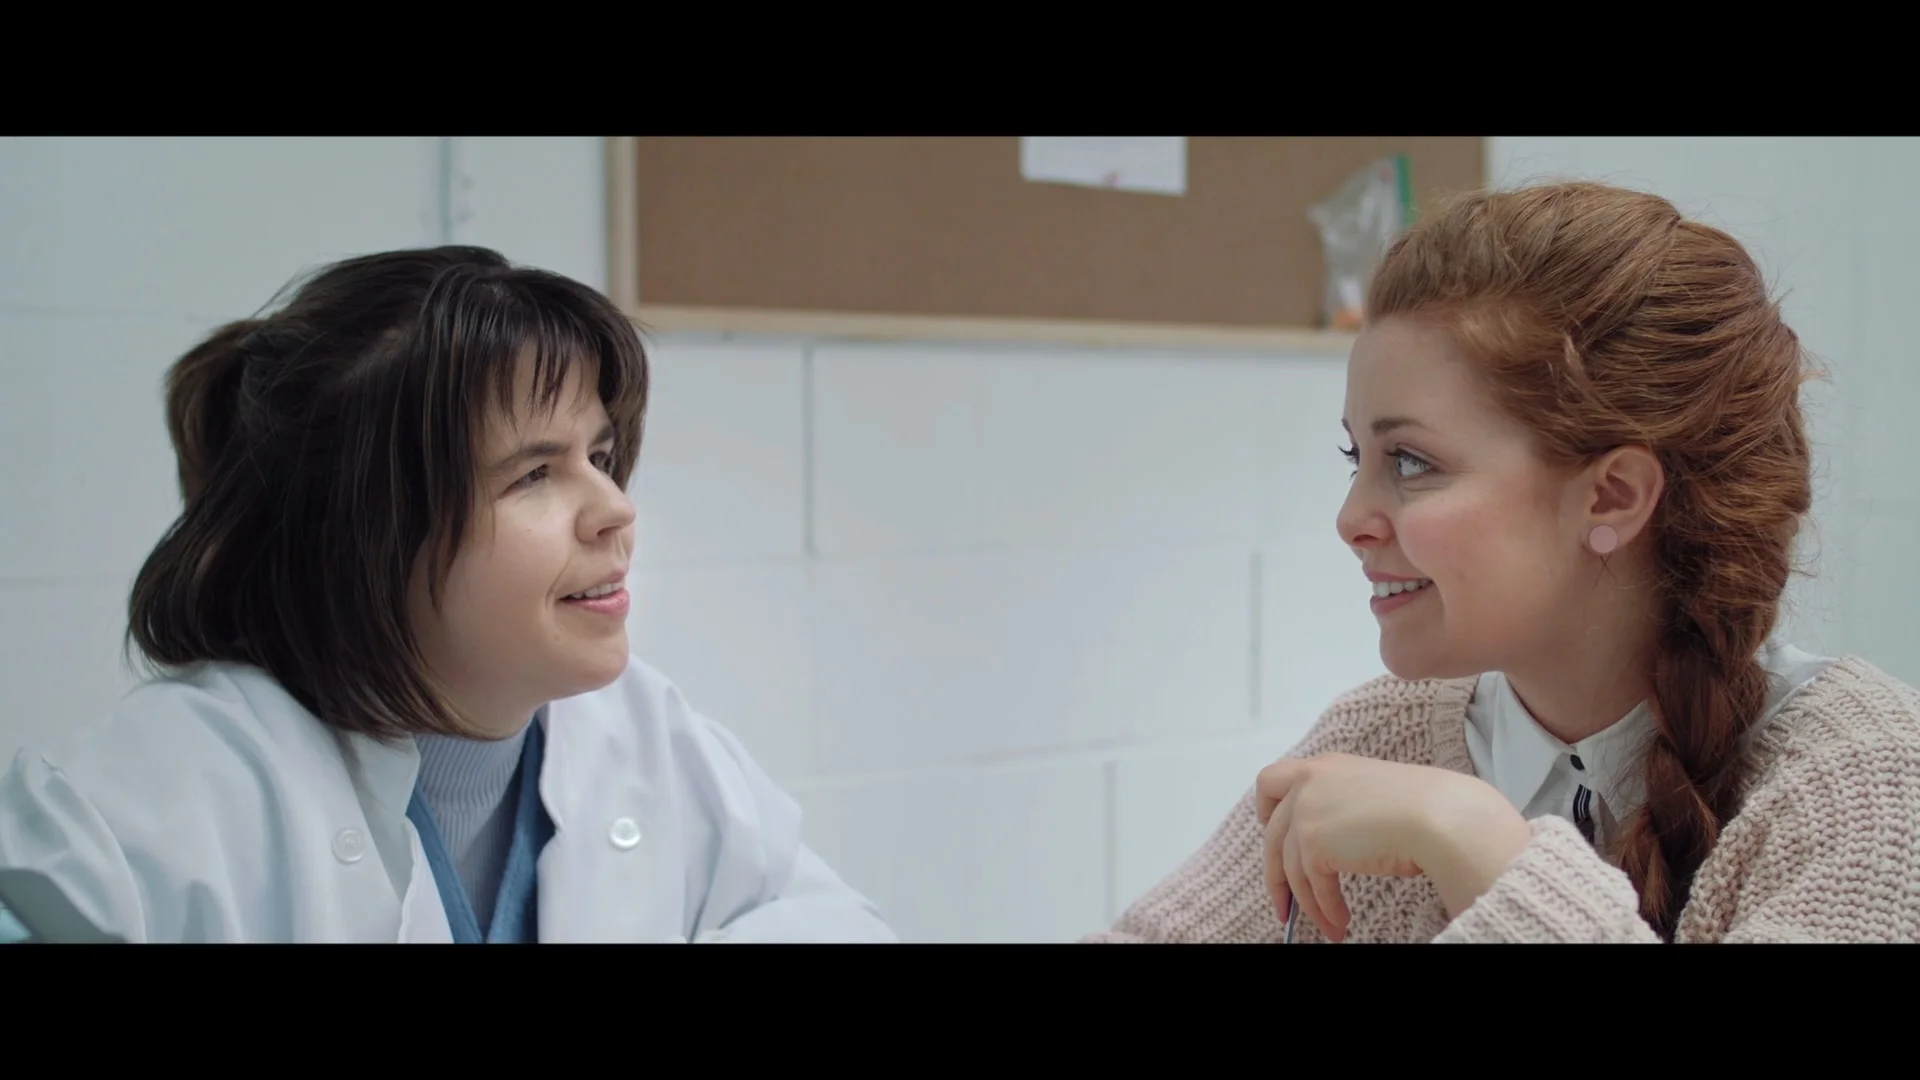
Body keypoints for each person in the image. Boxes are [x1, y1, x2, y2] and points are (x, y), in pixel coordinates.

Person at [1086, 181, 1920, 944]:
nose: (1350, 521)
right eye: (1356, 458)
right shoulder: (1383, 736)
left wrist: (1475, 846)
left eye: (1411, 461)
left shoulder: (1870, 783)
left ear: (1612, 496)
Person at [0, 246, 897, 944]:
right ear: (362, 538)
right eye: (534, 474)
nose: (615, 510)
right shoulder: (136, 811)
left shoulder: (643, 735)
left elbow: (827, 919)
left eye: (600, 455)